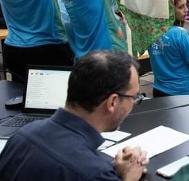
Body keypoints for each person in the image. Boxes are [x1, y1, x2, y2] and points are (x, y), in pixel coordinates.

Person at [0, 51, 148, 180]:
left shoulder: (21, 136)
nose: (134, 103)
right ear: (112, 102)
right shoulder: (94, 172)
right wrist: (129, 176)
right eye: (134, 98)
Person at [148, 0, 189, 96]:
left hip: (159, 90)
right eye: (181, 7)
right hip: (184, 92)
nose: (186, 10)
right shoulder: (180, 34)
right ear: (170, 10)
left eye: (186, 5)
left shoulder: (151, 31)